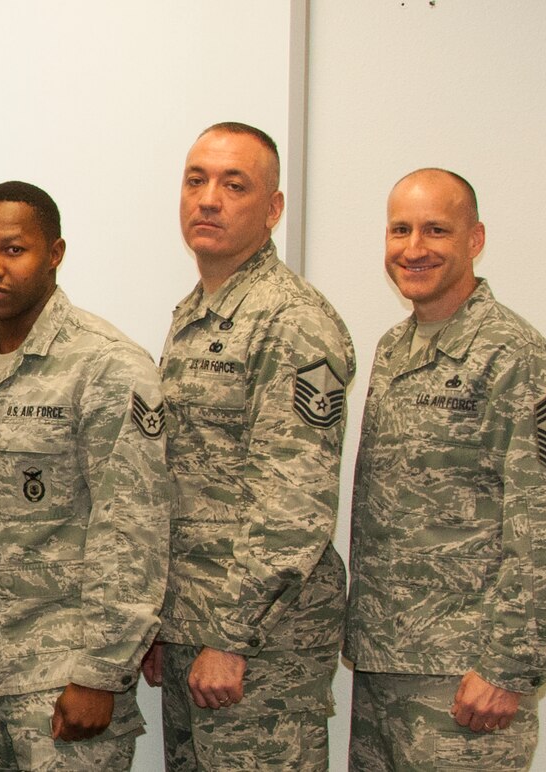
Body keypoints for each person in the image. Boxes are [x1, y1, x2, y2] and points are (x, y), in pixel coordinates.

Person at [0, 182, 170, 771]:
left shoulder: (107, 366)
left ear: (54, 254)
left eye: (13, 249)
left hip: (61, 683)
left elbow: (133, 527)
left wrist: (102, 673)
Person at [345, 169, 546, 771]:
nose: (413, 247)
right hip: (385, 666)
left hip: (466, 680)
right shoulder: (393, 349)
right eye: (399, 229)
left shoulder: (515, 355)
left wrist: (509, 667)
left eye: (436, 230)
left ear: (475, 239)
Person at [143, 122, 352, 771]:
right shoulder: (195, 314)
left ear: (273, 209)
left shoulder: (292, 321)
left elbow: (293, 503)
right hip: (196, 632)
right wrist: (165, 621)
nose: (208, 199)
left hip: (260, 646)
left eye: (235, 185)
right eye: (196, 180)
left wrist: (230, 638)